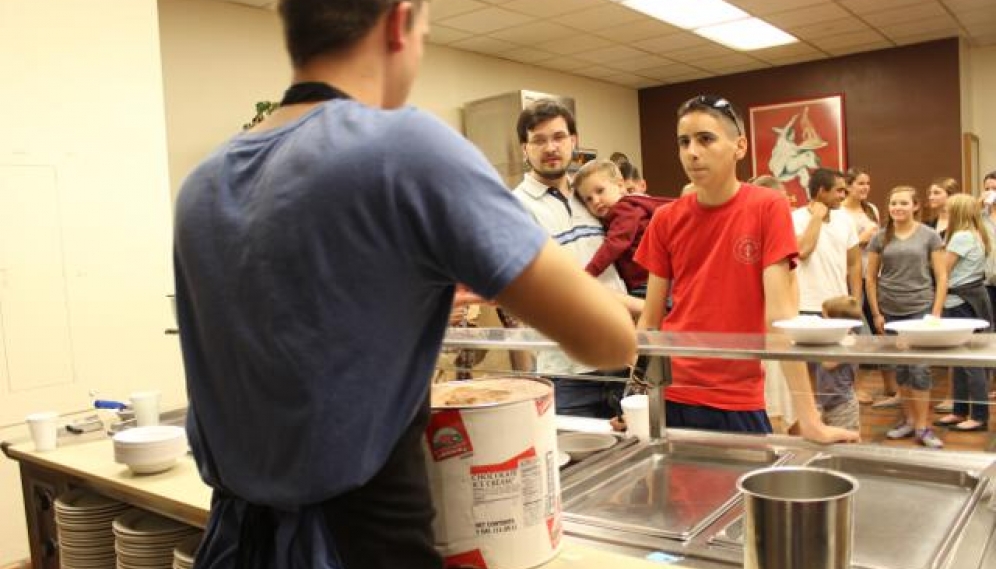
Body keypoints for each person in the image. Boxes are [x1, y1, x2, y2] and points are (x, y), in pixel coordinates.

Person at [172, 2, 638, 568]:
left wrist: (411, 305)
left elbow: (295, 342)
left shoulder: (203, 183)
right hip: (360, 542)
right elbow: (608, 340)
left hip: (234, 541)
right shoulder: (405, 148)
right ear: (400, 21)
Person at [634, 94, 858, 444]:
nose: (692, 151)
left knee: (741, 495)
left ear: (739, 146)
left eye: (705, 139)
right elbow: (650, 321)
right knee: (677, 496)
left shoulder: (767, 206)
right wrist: (633, 397)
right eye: (684, 142)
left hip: (735, 394)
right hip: (673, 391)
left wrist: (809, 419)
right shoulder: (665, 219)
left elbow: (779, 317)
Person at [513, 99, 640, 418]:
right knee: (574, 465)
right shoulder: (515, 207)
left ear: (574, 141)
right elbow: (547, 290)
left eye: (558, 137)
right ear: (524, 149)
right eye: (538, 140)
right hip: (569, 373)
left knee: (634, 458)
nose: (550, 147)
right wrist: (642, 308)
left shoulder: (592, 197)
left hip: (624, 360)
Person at [866, 186, 947, 449]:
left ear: (915, 206)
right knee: (901, 368)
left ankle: (924, 426)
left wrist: (935, 313)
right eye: (893, 203)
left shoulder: (930, 236)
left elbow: (942, 276)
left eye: (903, 203)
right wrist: (876, 312)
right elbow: (870, 278)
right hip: (891, 312)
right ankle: (909, 420)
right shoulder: (880, 237)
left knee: (920, 369)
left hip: (920, 309)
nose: (897, 207)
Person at [932, 194, 993, 432]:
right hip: (972, 299)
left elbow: (942, 271)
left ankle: (978, 414)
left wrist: (935, 311)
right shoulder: (979, 233)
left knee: (968, 362)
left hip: (958, 302)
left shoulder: (960, 236)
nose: (945, 214)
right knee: (959, 361)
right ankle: (959, 410)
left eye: (949, 210)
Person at [573, 159, 673, 298]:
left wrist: (589, 273)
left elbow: (615, 243)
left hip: (648, 281)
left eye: (600, 191)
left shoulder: (624, 210)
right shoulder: (618, 212)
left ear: (620, 185)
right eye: (588, 199)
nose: (596, 201)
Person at [841, 167, 887, 406]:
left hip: (874, 277)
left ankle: (890, 386)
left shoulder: (872, 210)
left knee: (882, 329)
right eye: (860, 183)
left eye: (867, 183)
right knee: (856, 334)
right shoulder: (839, 213)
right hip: (851, 279)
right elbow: (840, 250)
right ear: (848, 186)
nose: (865, 188)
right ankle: (856, 387)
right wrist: (861, 240)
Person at [792, 167, 862, 318]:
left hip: (840, 306)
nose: (843, 196)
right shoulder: (795, 218)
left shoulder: (846, 220)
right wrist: (817, 216)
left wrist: (855, 301)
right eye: (839, 190)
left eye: (844, 191)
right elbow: (803, 251)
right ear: (821, 191)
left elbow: (854, 263)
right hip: (806, 305)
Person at [815, 296, 863, 431]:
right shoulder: (834, 339)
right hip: (826, 400)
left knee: (846, 442)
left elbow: (828, 363)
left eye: (826, 319)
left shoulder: (849, 341)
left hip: (843, 404)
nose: (822, 323)